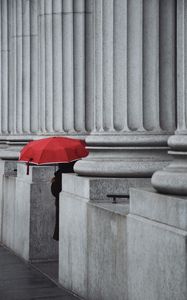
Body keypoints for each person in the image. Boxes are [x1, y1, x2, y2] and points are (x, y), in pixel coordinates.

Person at [51, 162, 76, 241]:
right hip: (69, 206)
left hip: (62, 206)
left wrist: (54, 182)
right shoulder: (72, 172)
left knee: (62, 233)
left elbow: (55, 191)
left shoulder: (60, 174)